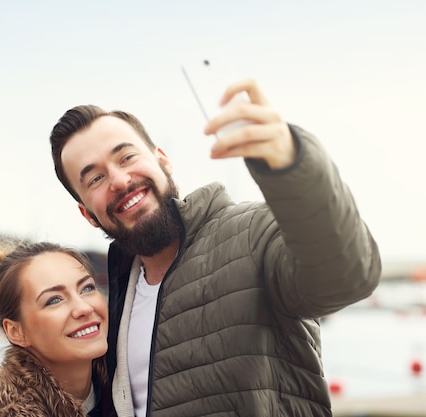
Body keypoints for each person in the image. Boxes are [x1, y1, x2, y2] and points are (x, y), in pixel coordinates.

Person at [49, 78, 381, 417]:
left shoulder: (253, 234)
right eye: (95, 179)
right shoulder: (115, 301)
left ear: (163, 160)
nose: (119, 180)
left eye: (127, 156)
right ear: (87, 214)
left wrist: (294, 167)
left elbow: (347, 277)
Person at [0, 240, 115, 417]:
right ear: (16, 332)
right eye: (54, 300)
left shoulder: (131, 384)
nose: (84, 308)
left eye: (87, 288)